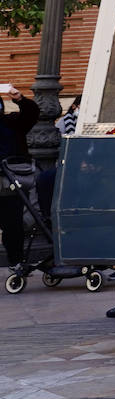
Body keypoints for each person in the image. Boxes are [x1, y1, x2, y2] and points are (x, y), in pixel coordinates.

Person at [0, 84, 39, 274]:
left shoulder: (12, 122)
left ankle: (16, 261)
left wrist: (19, 98)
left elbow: (31, 113)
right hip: (8, 181)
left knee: (12, 224)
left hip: (10, 182)